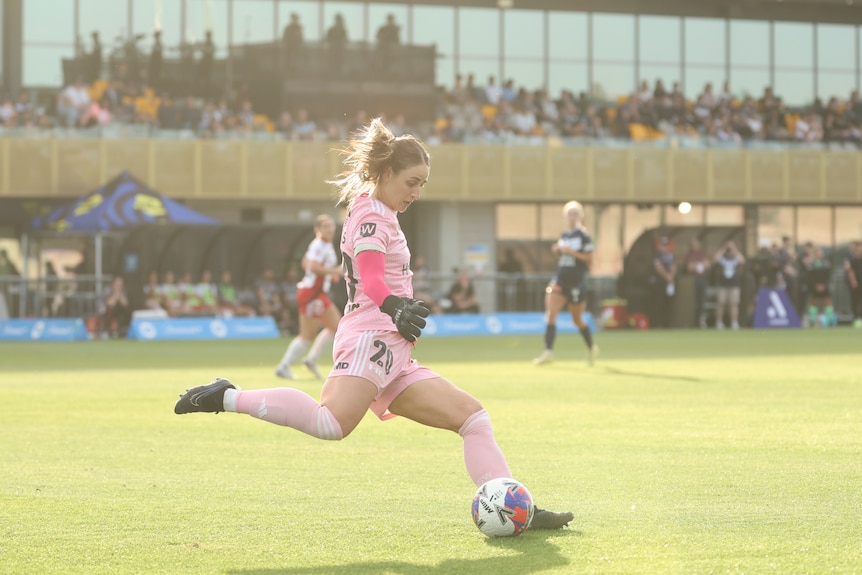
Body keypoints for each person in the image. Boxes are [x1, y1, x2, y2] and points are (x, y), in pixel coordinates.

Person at [173, 118, 573, 531]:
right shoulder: (370, 215)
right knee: (331, 423)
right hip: (370, 335)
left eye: (422, 185)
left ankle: (512, 504)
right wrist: (395, 305)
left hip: (393, 347)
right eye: (411, 182)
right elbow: (371, 276)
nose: (416, 193)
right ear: (385, 174)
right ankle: (227, 396)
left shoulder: (380, 210)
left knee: (473, 418)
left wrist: (396, 311)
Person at [275, 214, 343, 380]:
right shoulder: (320, 245)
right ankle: (286, 365)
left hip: (316, 292)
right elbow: (312, 266)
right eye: (325, 226)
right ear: (318, 229)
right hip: (313, 293)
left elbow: (306, 262)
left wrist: (328, 274)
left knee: (333, 328)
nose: (330, 229)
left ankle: (308, 360)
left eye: (331, 225)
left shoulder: (321, 245)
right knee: (312, 334)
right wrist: (334, 271)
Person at [533, 201, 598, 365]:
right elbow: (563, 257)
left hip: (576, 282)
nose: (572, 217)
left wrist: (571, 252)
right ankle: (548, 351)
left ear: (580, 216)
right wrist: (557, 250)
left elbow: (589, 259)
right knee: (551, 313)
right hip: (560, 279)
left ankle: (591, 347)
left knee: (577, 319)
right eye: (569, 214)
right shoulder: (564, 235)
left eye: (575, 214)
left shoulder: (584, 235)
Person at [713, 241, 745, 330]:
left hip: (734, 284)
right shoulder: (722, 257)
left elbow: (742, 260)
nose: (729, 249)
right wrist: (724, 248)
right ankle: (719, 322)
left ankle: (734, 322)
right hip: (722, 284)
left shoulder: (735, 257)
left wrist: (734, 249)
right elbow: (715, 258)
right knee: (720, 304)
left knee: (734, 304)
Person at [649, 235, 677, 329]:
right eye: (662, 245)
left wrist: (671, 276)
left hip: (668, 283)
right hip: (659, 282)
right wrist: (667, 276)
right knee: (658, 303)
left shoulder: (670, 255)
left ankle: (668, 324)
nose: (664, 247)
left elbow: (674, 265)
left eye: (665, 245)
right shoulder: (657, 255)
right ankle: (656, 324)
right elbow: (658, 267)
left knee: (668, 304)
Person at [684, 237, 709, 328]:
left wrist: (696, 265)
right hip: (692, 281)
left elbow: (707, 265)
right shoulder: (689, 255)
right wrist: (699, 265)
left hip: (702, 280)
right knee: (693, 302)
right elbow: (689, 268)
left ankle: (701, 321)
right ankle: (692, 321)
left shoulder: (702, 254)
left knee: (701, 301)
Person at [844, 240, 862, 327]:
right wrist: (853, 281)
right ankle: (856, 318)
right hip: (857, 283)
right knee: (855, 301)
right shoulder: (852, 259)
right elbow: (850, 271)